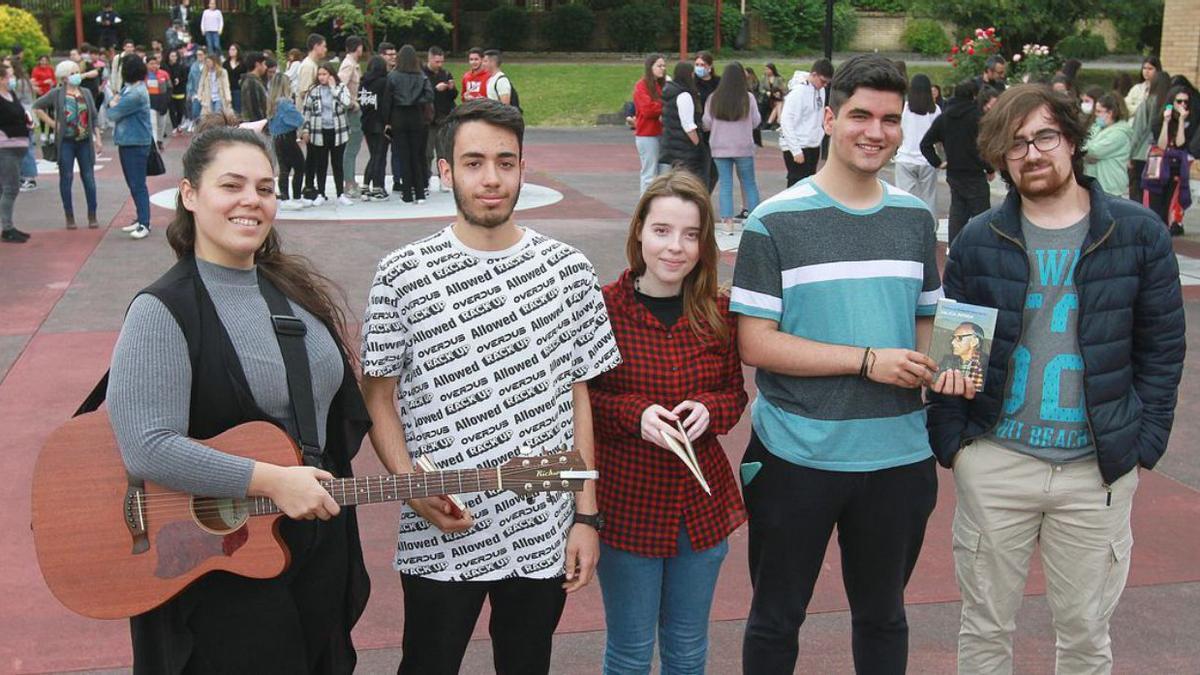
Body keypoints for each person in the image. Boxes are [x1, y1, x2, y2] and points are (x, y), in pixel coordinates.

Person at [929, 82, 1185, 675]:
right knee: (985, 630)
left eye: (1045, 136)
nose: (1032, 153)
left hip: (1094, 470)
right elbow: (956, 350)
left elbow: (1163, 348)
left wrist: (1142, 445)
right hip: (997, 461)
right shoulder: (979, 238)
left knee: (1085, 637)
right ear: (1000, 157)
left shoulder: (1136, 233)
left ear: (1071, 140)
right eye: (1015, 144)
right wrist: (956, 445)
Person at [359, 97, 620, 675]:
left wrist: (586, 516)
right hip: (440, 526)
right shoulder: (403, 273)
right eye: (474, 162)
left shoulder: (569, 269)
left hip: (542, 528)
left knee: (527, 664)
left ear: (524, 167)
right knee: (426, 663)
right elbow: (377, 395)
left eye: (506, 161)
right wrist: (409, 486)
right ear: (445, 170)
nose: (492, 179)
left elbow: (579, 399)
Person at [106, 113, 372, 673]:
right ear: (190, 195)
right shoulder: (163, 310)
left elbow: (333, 415)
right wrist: (272, 479)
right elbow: (147, 446)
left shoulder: (293, 292)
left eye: (265, 188)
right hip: (219, 561)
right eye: (231, 185)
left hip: (314, 543)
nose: (250, 200)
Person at [731, 55, 955, 674]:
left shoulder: (914, 219)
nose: (875, 131)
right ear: (829, 118)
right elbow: (756, 343)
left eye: (890, 118)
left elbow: (927, 322)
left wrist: (946, 366)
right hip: (796, 454)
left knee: (884, 617)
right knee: (776, 618)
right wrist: (865, 362)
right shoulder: (774, 222)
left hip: (898, 457)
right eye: (860, 115)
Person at [590, 169, 747, 675]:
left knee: (686, 646)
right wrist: (635, 414)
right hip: (628, 503)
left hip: (699, 508)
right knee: (631, 650)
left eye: (690, 234)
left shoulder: (717, 310)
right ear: (639, 231)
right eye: (662, 231)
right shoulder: (602, 309)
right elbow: (583, 402)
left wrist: (709, 408)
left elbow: (734, 394)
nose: (675, 247)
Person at [921, 79, 993, 245]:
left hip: (953, 173)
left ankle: (954, 249)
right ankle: (983, 248)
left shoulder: (944, 117)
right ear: (974, 95)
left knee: (957, 214)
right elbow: (984, 146)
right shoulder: (978, 118)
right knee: (982, 216)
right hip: (975, 172)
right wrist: (989, 168)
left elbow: (925, 144)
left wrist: (938, 162)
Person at [34, 60, 102, 230]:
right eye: (72, 73)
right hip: (66, 142)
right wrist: (53, 123)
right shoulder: (57, 93)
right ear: (64, 77)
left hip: (84, 141)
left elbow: (93, 117)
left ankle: (92, 214)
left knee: (89, 178)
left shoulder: (85, 92)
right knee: (66, 178)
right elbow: (37, 106)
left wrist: (98, 138)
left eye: (77, 72)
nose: (77, 76)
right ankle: (69, 215)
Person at [702, 62, 761, 231]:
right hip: (743, 147)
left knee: (725, 184)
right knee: (749, 182)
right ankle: (754, 219)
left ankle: (727, 221)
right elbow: (756, 121)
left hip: (720, 147)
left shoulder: (714, 98)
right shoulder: (748, 98)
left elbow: (706, 123)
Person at [109, 55, 154, 240]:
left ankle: (145, 223)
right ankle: (140, 218)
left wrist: (113, 102)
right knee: (133, 183)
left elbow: (113, 113)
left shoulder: (135, 94)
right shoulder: (131, 88)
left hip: (135, 142)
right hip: (129, 141)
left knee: (137, 184)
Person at [385, 44, 433, 204]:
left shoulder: (393, 76)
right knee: (417, 155)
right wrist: (416, 100)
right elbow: (429, 95)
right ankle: (420, 193)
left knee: (403, 155)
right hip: (416, 116)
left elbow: (387, 100)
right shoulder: (421, 75)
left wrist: (387, 120)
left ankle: (406, 193)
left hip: (399, 116)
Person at [300, 64, 353, 207]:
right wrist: (305, 130)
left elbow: (347, 103)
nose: (322, 77)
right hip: (319, 131)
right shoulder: (313, 90)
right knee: (321, 164)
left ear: (331, 75)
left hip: (338, 132)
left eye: (325, 74)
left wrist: (333, 89)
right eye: (320, 75)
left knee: (337, 163)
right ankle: (321, 193)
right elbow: (306, 111)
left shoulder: (340, 88)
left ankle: (340, 193)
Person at [1145, 85, 1194, 235]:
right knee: (1155, 203)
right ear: (1171, 102)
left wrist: (1181, 121)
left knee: (1169, 203)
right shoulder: (1158, 121)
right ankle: (1153, 231)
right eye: (1179, 101)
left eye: (1186, 102)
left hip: (1175, 168)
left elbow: (1180, 143)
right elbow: (1162, 145)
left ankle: (1165, 230)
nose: (1183, 105)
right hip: (1159, 167)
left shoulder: (1186, 121)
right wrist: (1166, 122)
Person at [778, 59, 833, 187]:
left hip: (812, 143)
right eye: (823, 81)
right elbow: (786, 120)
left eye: (827, 83)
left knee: (809, 184)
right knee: (796, 184)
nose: (824, 85)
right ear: (813, 75)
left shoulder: (821, 90)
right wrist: (795, 150)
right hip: (798, 144)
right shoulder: (798, 92)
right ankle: (790, 207)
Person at [658, 61, 709, 187]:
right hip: (685, 148)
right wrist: (698, 145)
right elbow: (688, 125)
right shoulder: (684, 95)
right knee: (693, 181)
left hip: (672, 145)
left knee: (678, 180)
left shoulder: (669, 91)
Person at [895, 73, 941, 213]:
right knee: (929, 198)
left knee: (904, 199)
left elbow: (898, 130)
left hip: (905, 158)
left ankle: (905, 228)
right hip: (927, 160)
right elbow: (938, 137)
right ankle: (930, 229)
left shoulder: (904, 108)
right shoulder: (935, 110)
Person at [0, 63, 32, 243]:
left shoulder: (11, 94)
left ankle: (8, 225)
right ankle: (7, 228)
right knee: (11, 188)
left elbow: (19, 113)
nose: (12, 79)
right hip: (5, 147)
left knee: (4, 188)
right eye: (9, 76)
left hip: (19, 145)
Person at [1128, 70, 1170, 201]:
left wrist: (1129, 155)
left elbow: (1138, 131)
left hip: (1142, 154)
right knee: (1155, 195)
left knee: (1138, 193)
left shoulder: (1147, 103)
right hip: (1163, 154)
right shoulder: (1169, 106)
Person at [1083, 93, 1134, 197]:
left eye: (1099, 111)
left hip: (1111, 187)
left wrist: (1087, 153)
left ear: (1110, 113)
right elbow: (1083, 144)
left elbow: (1093, 152)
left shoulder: (1119, 133)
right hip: (1097, 185)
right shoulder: (1097, 127)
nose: (1095, 114)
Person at [422, 46, 456, 194]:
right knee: (427, 152)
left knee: (443, 151)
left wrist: (452, 89)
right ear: (429, 59)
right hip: (428, 119)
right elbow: (422, 95)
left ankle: (444, 179)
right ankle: (425, 179)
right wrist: (435, 89)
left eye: (441, 61)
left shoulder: (446, 74)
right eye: (437, 61)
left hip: (443, 117)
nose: (440, 65)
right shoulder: (422, 74)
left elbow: (453, 96)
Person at [358, 55, 391, 201]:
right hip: (379, 123)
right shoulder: (384, 82)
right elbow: (385, 105)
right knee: (379, 155)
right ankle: (377, 187)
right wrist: (388, 122)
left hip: (366, 121)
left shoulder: (363, 82)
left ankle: (365, 186)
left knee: (373, 155)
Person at [632, 53, 665, 194]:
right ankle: (644, 210)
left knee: (663, 174)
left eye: (664, 66)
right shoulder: (641, 86)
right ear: (650, 67)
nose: (662, 69)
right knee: (649, 174)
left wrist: (658, 105)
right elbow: (647, 110)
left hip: (661, 133)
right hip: (647, 135)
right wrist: (663, 106)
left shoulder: (662, 85)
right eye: (659, 66)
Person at [268, 90, 306, 209]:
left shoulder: (272, 102)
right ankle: (295, 196)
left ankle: (285, 197)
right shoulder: (284, 103)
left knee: (284, 167)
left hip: (277, 137)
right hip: (287, 136)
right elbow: (298, 119)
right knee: (299, 166)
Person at [337, 36, 365, 199]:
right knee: (351, 147)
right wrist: (351, 104)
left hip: (354, 109)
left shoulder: (353, 64)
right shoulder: (348, 65)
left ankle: (351, 180)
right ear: (358, 47)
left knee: (353, 146)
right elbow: (340, 86)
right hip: (352, 112)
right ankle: (348, 182)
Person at [935, 322, 985, 390]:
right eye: (953, 338)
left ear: (974, 342)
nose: (952, 342)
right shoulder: (947, 361)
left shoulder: (985, 365)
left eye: (959, 338)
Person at [239, 51, 270, 124]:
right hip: (254, 125)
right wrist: (262, 123)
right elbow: (255, 107)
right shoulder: (251, 82)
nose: (266, 67)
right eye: (264, 64)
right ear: (257, 64)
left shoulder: (256, 81)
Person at [296, 34, 326, 105]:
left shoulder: (313, 64)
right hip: (307, 112)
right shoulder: (308, 66)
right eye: (324, 46)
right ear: (316, 47)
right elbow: (304, 93)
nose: (325, 49)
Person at [166, 49, 189, 133]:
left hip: (180, 90)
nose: (173, 58)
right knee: (172, 110)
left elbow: (186, 78)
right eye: (172, 56)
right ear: (168, 57)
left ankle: (179, 124)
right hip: (170, 91)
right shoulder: (166, 67)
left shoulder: (182, 67)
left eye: (175, 56)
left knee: (180, 110)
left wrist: (179, 80)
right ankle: (174, 126)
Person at [762, 62, 787, 129]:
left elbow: (784, 89)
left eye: (768, 69)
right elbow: (761, 89)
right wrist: (767, 92)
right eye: (765, 69)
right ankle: (779, 121)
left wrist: (779, 93)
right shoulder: (764, 78)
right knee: (779, 104)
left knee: (778, 104)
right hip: (769, 98)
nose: (766, 71)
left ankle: (769, 123)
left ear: (772, 70)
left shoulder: (778, 78)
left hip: (777, 98)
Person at [224, 43, 245, 114]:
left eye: (233, 49)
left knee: (237, 109)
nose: (231, 51)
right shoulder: (225, 64)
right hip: (228, 89)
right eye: (230, 49)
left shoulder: (242, 63)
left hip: (238, 88)